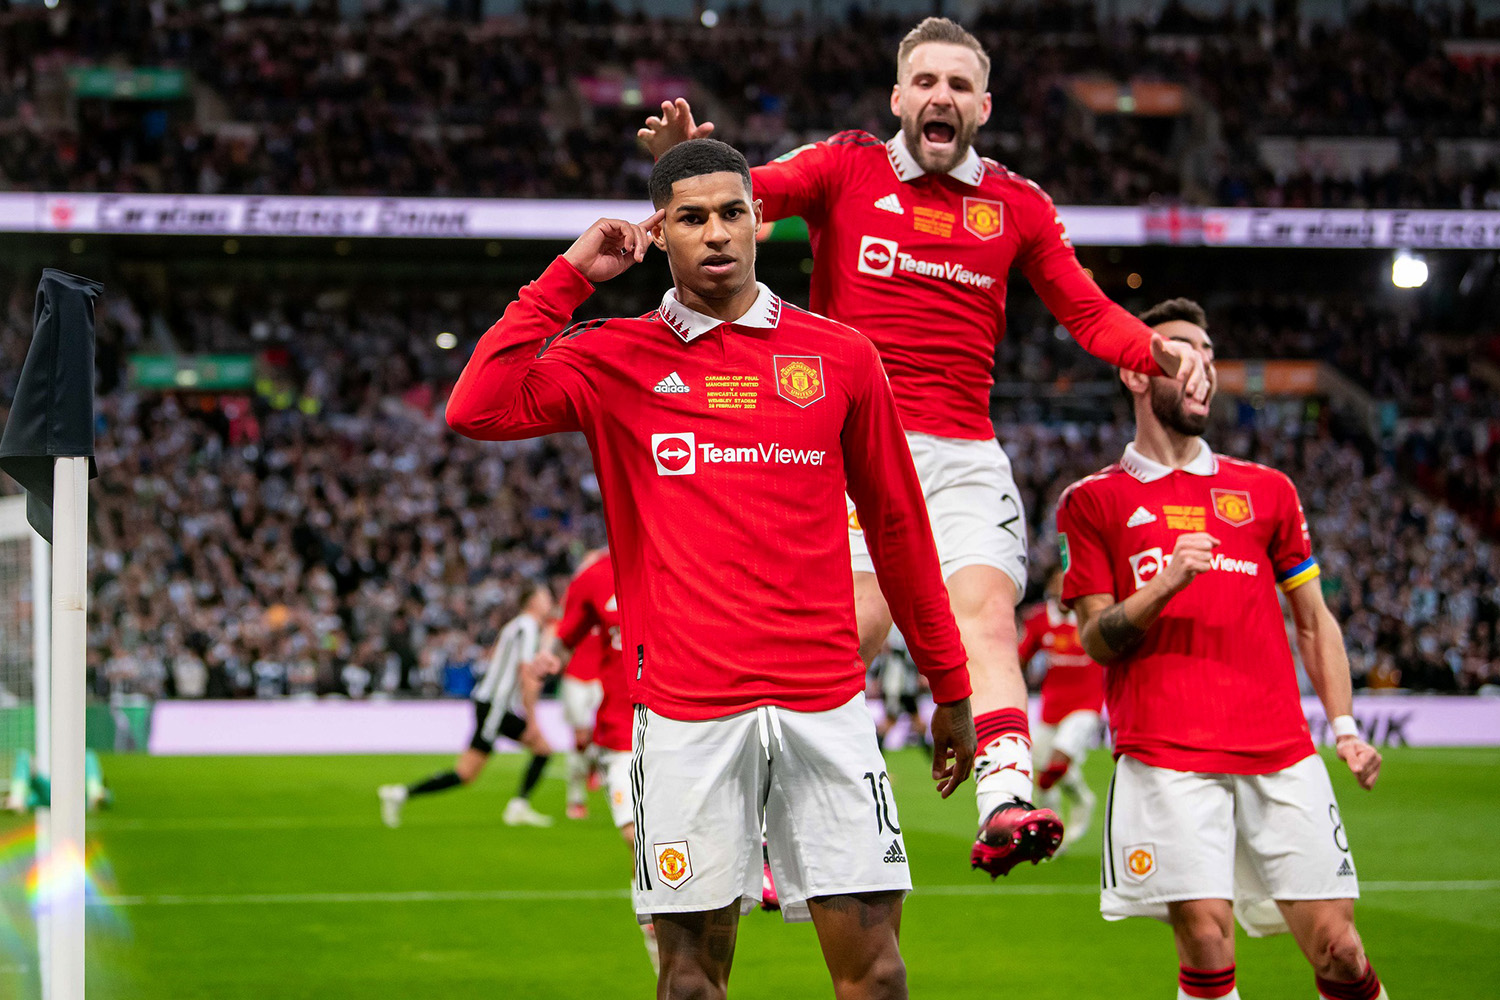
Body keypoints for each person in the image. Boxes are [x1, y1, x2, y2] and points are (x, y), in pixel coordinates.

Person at [637, 16, 1208, 877]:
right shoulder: (846, 167)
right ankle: (760, 819)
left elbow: (1087, 311)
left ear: (984, 104)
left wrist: (1155, 352)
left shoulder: (1018, 204)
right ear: (899, 97)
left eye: (960, 85)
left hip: (965, 453)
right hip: (853, 449)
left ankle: (1008, 801)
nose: (943, 96)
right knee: (852, 630)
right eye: (927, 82)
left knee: (981, 613)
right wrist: (696, 165)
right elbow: (751, 201)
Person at [445, 137, 976, 1000]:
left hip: (826, 704)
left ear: (760, 220)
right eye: (691, 217)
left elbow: (900, 530)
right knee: (689, 980)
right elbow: (476, 408)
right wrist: (571, 276)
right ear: (662, 232)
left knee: (876, 975)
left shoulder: (841, 356)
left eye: (734, 211)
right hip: (689, 712)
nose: (718, 232)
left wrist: (950, 686)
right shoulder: (612, 355)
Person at [1055, 298, 1388, 1000]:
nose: (1202, 364)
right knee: (1206, 940)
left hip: (1281, 750)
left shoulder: (1266, 490)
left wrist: (1347, 728)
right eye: (1181, 350)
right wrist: (1166, 584)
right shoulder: (1092, 502)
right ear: (1138, 373)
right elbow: (1095, 638)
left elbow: (1312, 619)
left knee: (1341, 949)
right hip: (1165, 755)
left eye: (1209, 352)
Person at [547, 549, 661, 971]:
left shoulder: (682, 550)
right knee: (635, 836)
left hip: (682, 723)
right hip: (620, 732)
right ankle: (653, 926)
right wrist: (550, 658)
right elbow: (566, 636)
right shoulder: (593, 578)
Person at [378, 584, 561, 829]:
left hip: (494, 705)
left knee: (539, 750)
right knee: (468, 772)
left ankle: (401, 794)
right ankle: (400, 793)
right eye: (544, 596)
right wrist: (532, 721)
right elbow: (526, 673)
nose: (549, 601)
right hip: (496, 708)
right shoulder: (527, 627)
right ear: (532, 602)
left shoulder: (518, 626)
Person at [1017, 565, 1103, 853]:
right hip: (1051, 708)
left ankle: (1067, 820)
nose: (1063, 589)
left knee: (1052, 768)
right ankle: (1057, 827)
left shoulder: (1094, 614)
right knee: (1041, 775)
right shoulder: (1039, 620)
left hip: (1086, 705)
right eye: (1058, 583)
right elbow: (1021, 658)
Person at [556, 548, 610, 820]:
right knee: (580, 738)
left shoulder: (610, 596)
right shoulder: (575, 597)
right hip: (576, 677)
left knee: (602, 736)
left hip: (602, 676)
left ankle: (594, 769)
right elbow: (562, 631)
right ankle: (575, 797)